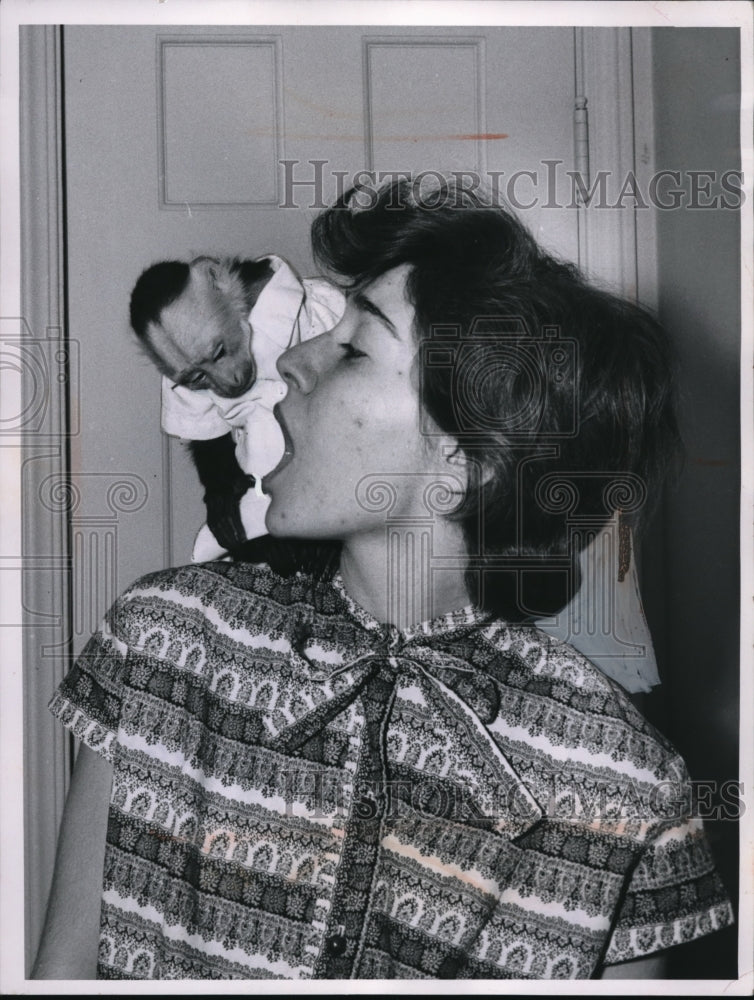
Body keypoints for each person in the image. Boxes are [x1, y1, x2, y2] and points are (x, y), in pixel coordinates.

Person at [33, 177, 733, 980]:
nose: (290, 362)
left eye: (355, 349)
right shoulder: (161, 644)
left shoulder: (626, 790)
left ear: (462, 458)